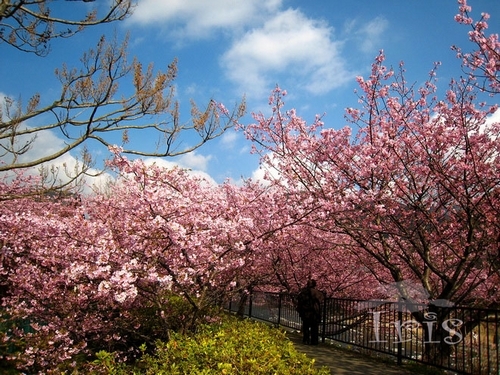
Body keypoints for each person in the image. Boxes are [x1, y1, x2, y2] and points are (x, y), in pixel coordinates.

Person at [296, 279, 324, 345]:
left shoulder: (303, 292)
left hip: (306, 312)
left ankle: (306, 340)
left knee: (306, 326)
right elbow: (321, 299)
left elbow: (299, 300)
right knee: (314, 327)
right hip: (314, 312)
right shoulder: (318, 293)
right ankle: (314, 341)